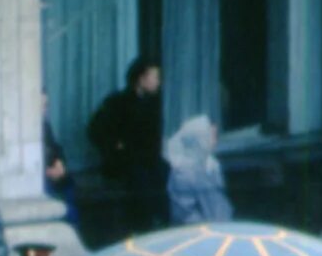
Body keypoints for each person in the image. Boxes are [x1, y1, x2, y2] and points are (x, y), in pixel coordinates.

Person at [87, 58, 167, 241]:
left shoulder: (154, 104)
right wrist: (115, 146)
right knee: (140, 182)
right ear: (141, 78)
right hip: (124, 164)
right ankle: (143, 227)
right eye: (154, 77)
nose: (158, 82)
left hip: (148, 162)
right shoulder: (118, 102)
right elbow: (95, 130)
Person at [165, 119, 233, 225]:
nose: (215, 141)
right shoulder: (182, 172)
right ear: (200, 139)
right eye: (211, 136)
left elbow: (220, 204)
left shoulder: (212, 165)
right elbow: (185, 214)